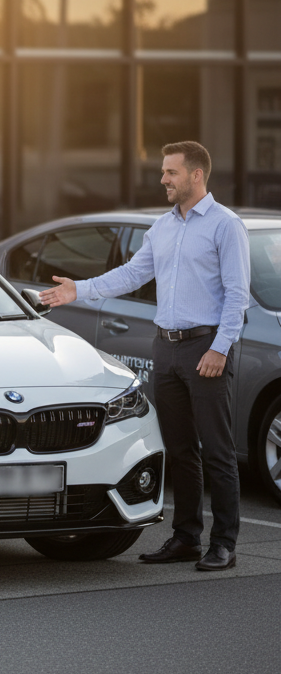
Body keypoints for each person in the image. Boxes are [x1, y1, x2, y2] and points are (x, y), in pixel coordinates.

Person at [40, 141, 251, 571]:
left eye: (170, 172)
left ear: (195, 175)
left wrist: (219, 347)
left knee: (217, 451)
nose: (163, 180)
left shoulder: (226, 226)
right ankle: (186, 538)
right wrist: (78, 289)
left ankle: (224, 543)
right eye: (163, 172)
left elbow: (238, 295)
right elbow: (133, 274)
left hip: (204, 346)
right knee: (179, 449)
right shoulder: (163, 227)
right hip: (167, 348)